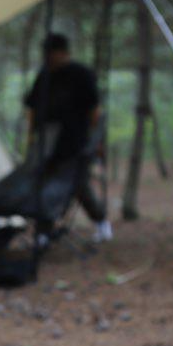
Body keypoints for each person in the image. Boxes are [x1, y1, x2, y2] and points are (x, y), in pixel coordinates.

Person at [24, 33, 112, 242]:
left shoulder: (81, 74)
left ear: (62, 52)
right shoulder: (44, 76)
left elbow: (94, 110)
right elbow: (32, 108)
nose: (48, 58)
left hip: (76, 143)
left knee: (79, 185)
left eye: (51, 53)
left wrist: (96, 141)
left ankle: (101, 221)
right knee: (44, 186)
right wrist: (32, 137)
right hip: (48, 144)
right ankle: (43, 231)